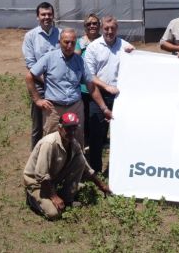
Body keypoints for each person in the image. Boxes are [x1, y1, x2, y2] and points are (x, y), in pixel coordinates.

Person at [28, 28, 110, 147]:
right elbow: (29, 76)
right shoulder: (49, 58)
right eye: (66, 42)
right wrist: (37, 100)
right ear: (60, 42)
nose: (69, 45)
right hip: (54, 109)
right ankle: (54, 165)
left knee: (76, 141)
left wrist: (104, 108)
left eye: (72, 42)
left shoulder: (80, 61)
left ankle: (75, 164)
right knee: (51, 143)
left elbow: (91, 87)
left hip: (75, 107)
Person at [23, 112, 111, 220]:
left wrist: (101, 186)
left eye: (74, 128)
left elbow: (86, 168)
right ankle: (32, 198)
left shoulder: (73, 143)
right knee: (54, 213)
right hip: (38, 183)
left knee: (80, 161)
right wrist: (54, 197)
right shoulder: (49, 144)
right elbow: (41, 175)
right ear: (60, 128)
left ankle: (67, 199)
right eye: (68, 128)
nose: (72, 132)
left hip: (52, 179)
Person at [84, 16, 134, 173]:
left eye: (113, 28)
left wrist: (134, 55)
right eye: (106, 28)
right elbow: (90, 76)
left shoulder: (125, 47)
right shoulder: (93, 47)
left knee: (121, 134)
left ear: (117, 29)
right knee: (96, 135)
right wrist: (106, 86)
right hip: (99, 95)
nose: (109, 31)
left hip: (121, 97)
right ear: (102, 28)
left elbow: (136, 68)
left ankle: (120, 170)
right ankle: (96, 171)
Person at [22, 2, 60, 148]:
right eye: (43, 14)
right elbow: (31, 64)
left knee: (57, 121)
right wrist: (46, 81)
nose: (46, 17)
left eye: (49, 14)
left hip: (59, 85)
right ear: (37, 17)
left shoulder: (61, 34)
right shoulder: (30, 37)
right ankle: (36, 156)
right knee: (38, 124)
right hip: (39, 84)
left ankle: (56, 152)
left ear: (53, 16)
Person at [75, 13, 101, 141]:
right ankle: (86, 140)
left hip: (100, 86)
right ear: (85, 27)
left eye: (95, 23)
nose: (92, 26)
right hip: (84, 87)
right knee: (85, 115)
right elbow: (74, 59)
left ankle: (99, 139)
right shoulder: (80, 42)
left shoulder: (104, 40)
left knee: (98, 115)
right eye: (89, 24)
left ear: (99, 25)